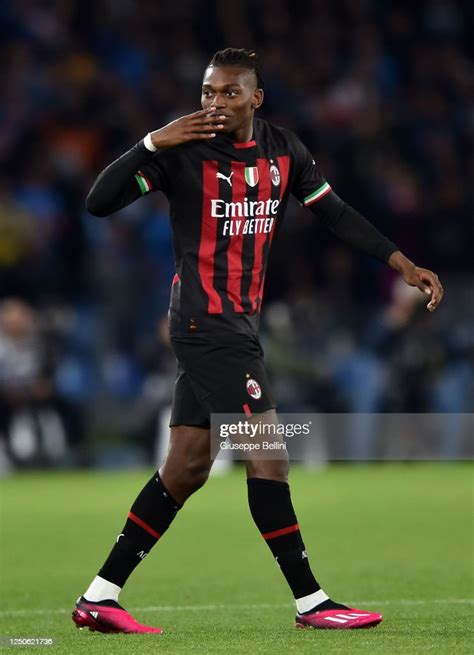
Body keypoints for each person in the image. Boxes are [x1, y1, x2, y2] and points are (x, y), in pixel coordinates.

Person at [72, 48, 444, 634]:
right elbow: (98, 202)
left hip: (236, 325)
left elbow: (336, 213)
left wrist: (400, 261)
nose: (214, 103)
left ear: (255, 98)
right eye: (206, 92)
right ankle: (312, 602)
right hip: (205, 325)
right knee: (268, 455)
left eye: (227, 93)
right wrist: (150, 143)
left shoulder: (284, 150)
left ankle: (99, 596)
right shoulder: (182, 152)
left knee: (188, 467)